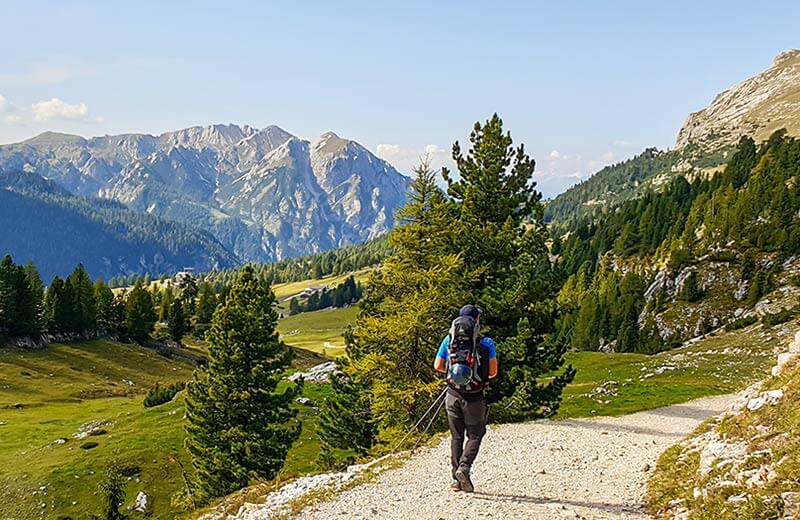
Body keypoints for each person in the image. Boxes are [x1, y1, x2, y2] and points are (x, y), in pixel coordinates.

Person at [434, 304, 498, 492]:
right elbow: (493, 373)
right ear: (476, 320)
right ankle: (464, 466)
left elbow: (438, 365)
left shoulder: (449, 340)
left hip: (453, 394)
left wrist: (456, 374)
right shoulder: (486, 343)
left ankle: (456, 480)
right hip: (474, 397)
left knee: (456, 436)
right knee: (476, 434)